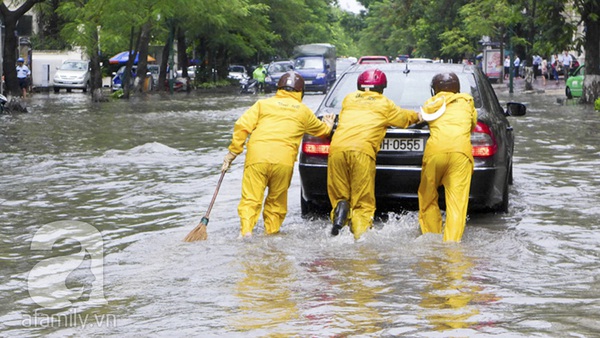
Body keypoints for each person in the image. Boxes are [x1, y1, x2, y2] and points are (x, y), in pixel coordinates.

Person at [221, 71, 335, 238]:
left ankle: (246, 232)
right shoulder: (303, 111)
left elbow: (242, 126)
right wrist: (329, 124)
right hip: (283, 162)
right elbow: (323, 131)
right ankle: (271, 234)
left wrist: (232, 153)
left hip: (257, 159)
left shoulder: (262, 105)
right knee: (276, 202)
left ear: (279, 88)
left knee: (251, 199)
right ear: (300, 92)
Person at [327, 68, 420, 240]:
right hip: (362, 151)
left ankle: (340, 219)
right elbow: (403, 119)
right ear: (382, 88)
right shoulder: (384, 104)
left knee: (340, 196)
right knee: (362, 203)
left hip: (336, 150)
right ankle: (360, 242)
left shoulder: (348, 99)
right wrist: (419, 116)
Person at [417, 72, 477, 242]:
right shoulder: (467, 102)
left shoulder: (431, 103)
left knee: (427, 197)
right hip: (460, 154)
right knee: (457, 205)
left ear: (434, 89)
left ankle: (431, 237)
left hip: (435, 153)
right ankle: (452, 246)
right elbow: (472, 124)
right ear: (457, 88)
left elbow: (420, 117)